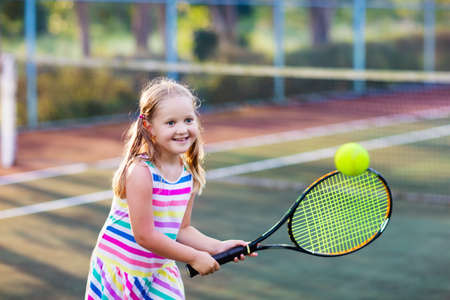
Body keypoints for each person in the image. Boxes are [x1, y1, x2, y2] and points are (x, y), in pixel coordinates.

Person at [85, 77, 255, 300]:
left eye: (188, 120)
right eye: (171, 123)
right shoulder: (141, 172)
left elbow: (182, 230)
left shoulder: (189, 174)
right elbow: (144, 235)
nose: (182, 129)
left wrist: (216, 246)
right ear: (149, 127)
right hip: (119, 272)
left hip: (158, 273)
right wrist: (194, 257)